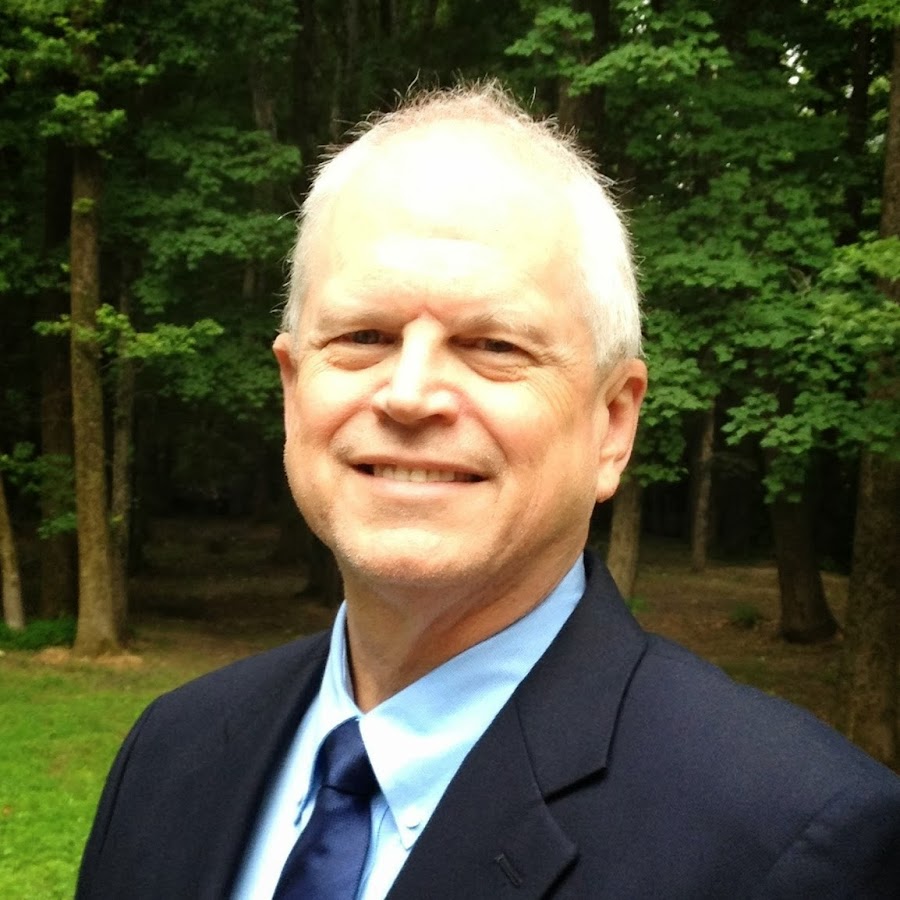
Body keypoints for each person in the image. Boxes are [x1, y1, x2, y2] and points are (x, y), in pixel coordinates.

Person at [77, 83, 900, 900]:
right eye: (364, 335)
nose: (409, 394)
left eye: (493, 345)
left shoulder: (797, 848)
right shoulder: (171, 751)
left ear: (612, 423)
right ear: (294, 390)